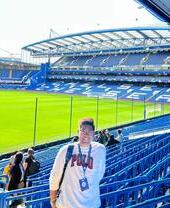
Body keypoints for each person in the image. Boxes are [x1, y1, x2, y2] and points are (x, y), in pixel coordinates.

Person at [50, 118, 106, 208]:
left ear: (94, 132)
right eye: (83, 130)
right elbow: (55, 177)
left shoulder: (100, 149)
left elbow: (100, 174)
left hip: (91, 205)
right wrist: (53, 201)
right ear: (78, 132)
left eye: (89, 131)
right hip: (67, 205)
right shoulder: (65, 150)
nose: (86, 134)